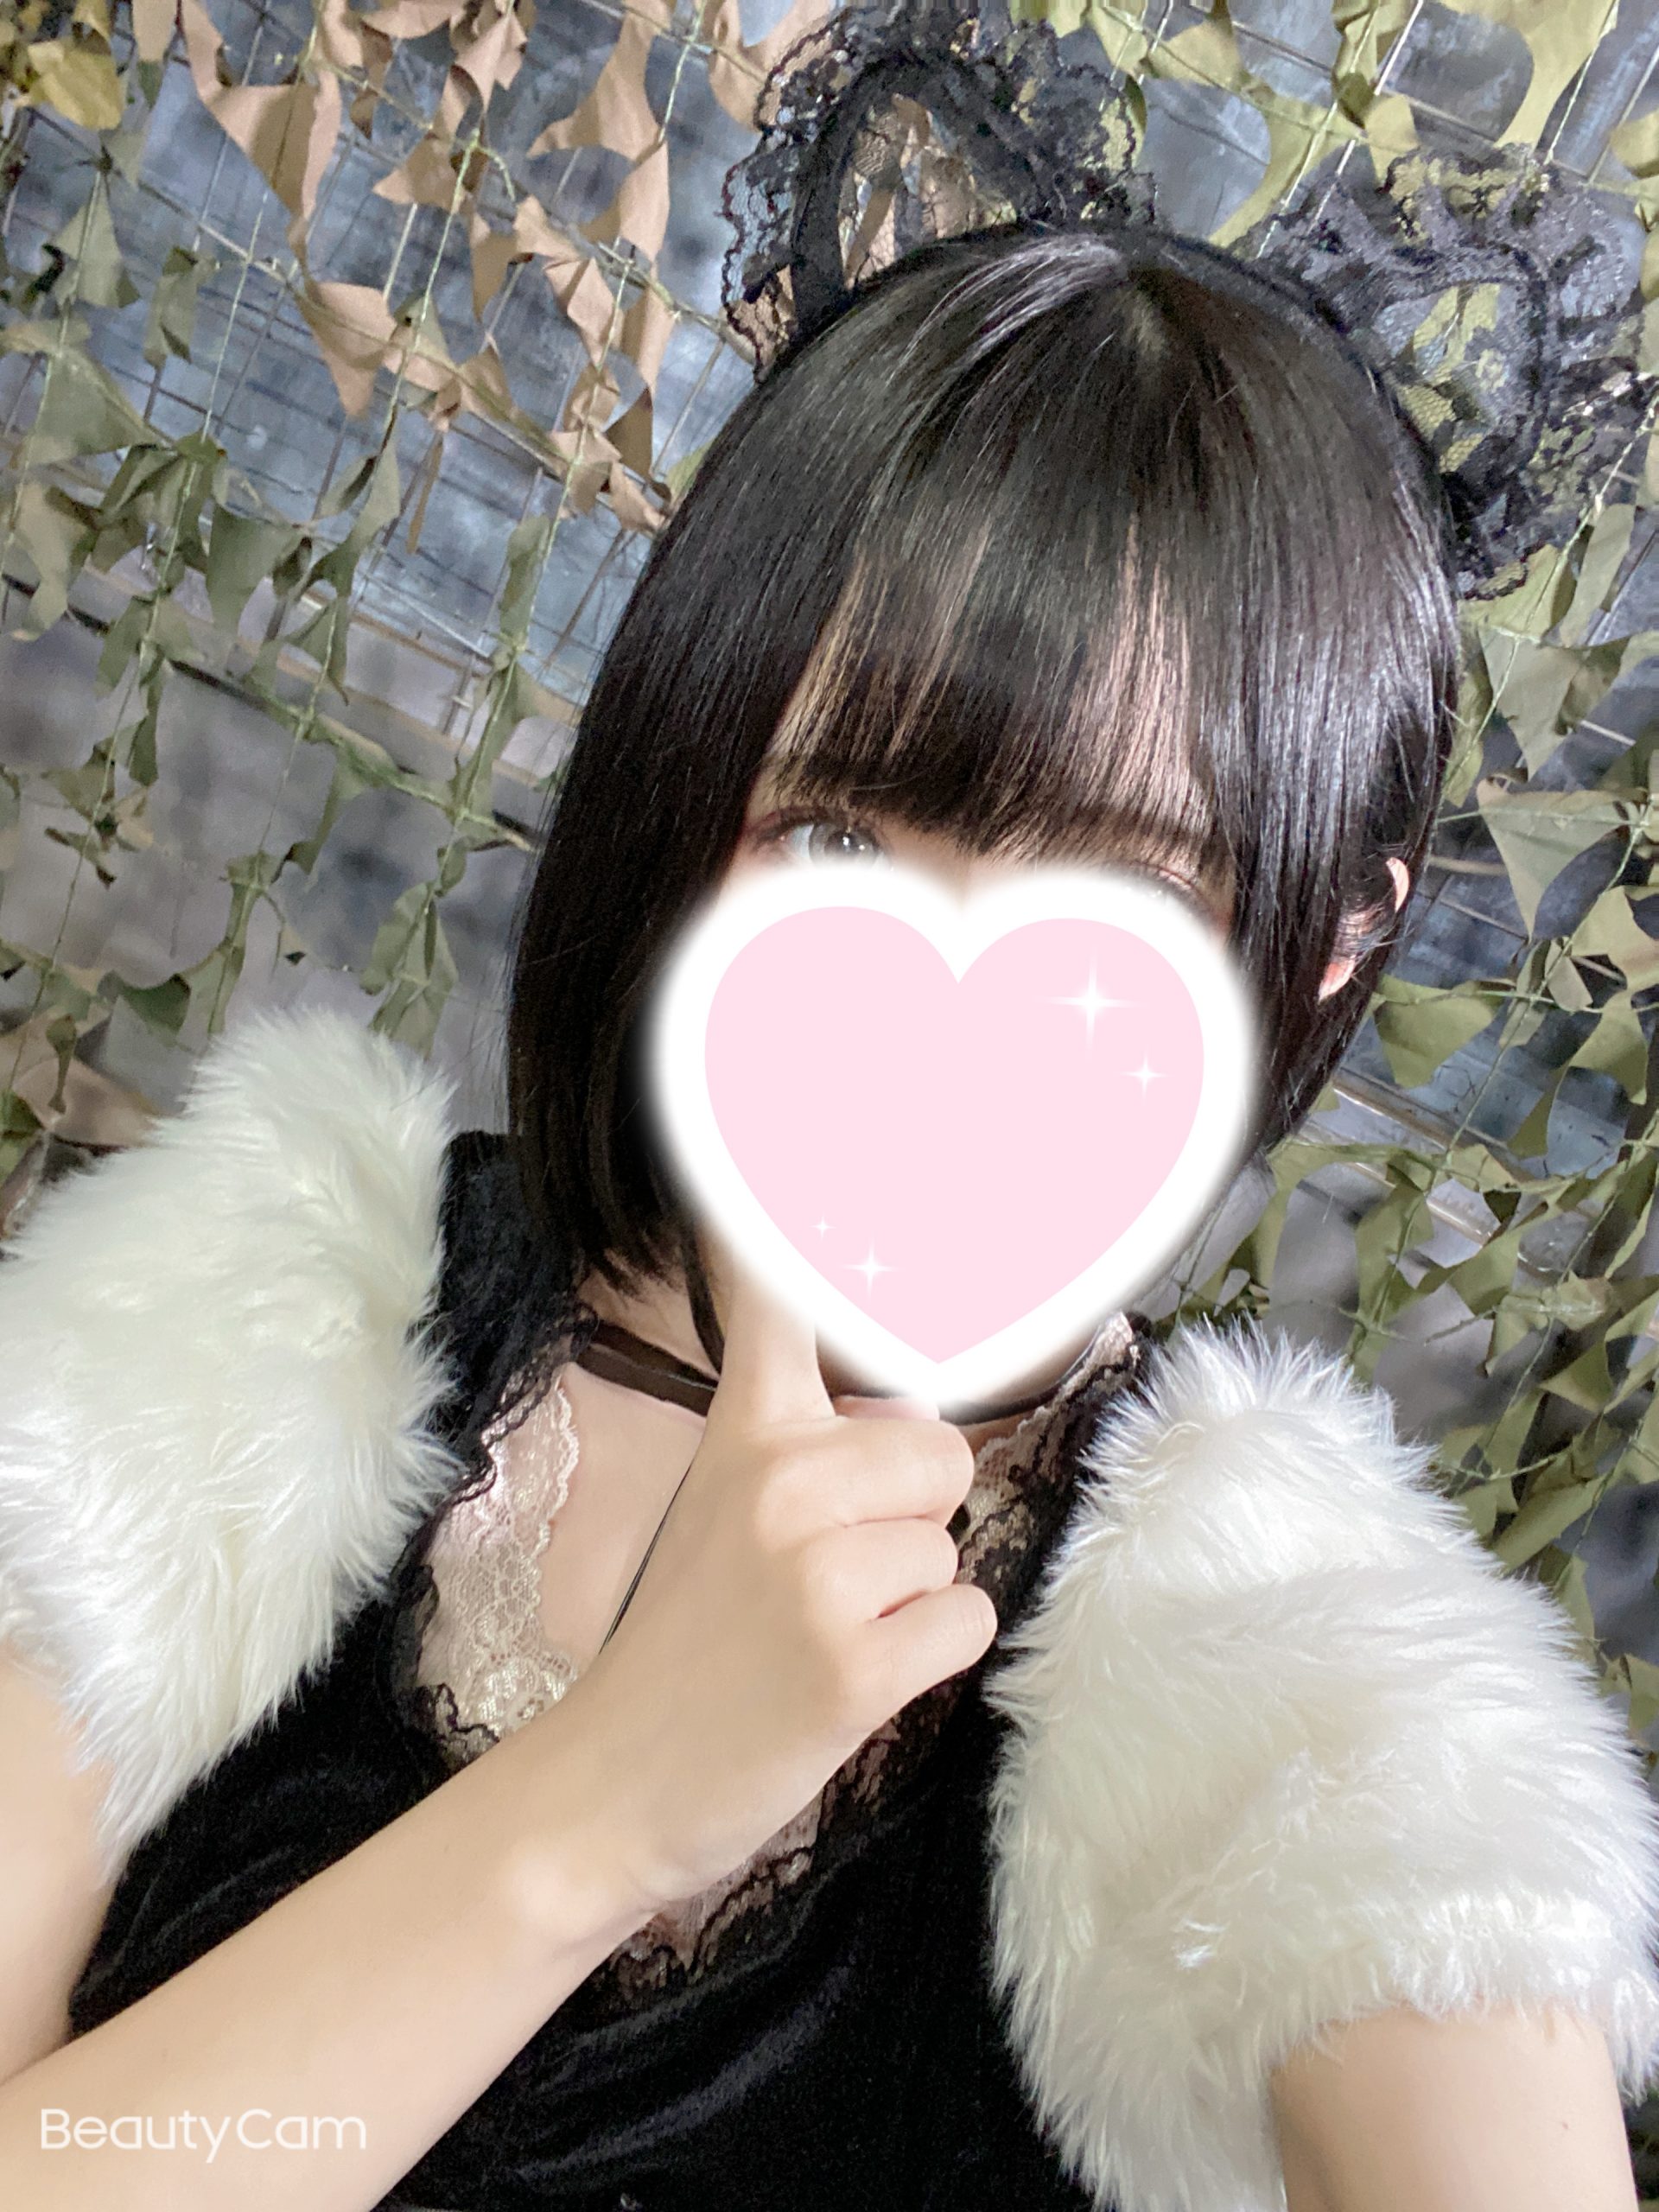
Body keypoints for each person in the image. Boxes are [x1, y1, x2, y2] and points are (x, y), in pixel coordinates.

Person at [1, 14, 1657, 2208]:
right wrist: (601, 1801)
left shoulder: (1307, 1700)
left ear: (1333, 943)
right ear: (696, 775)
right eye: (843, 835)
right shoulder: (242, 1331)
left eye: (1114, 899)